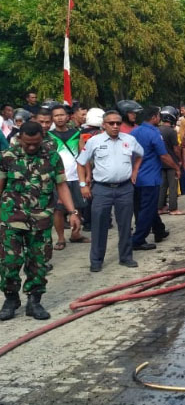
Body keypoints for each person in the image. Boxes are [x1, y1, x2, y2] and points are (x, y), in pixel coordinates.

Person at [0, 121, 81, 321]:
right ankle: (11, 299)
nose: (31, 147)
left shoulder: (52, 158)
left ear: (42, 139)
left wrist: (72, 212)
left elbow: (61, 186)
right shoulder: (7, 157)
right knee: (9, 263)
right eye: (28, 143)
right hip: (11, 219)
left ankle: (34, 302)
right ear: (20, 139)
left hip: (41, 220)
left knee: (38, 263)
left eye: (36, 143)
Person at [77, 110, 144, 272]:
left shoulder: (129, 139)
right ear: (104, 125)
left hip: (125, 188)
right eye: (111, 123)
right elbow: (80, 162)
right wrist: (83, 184)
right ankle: (96, 260)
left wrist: (135, 171)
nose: (115, 126)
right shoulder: (94, 141)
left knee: (126, 224)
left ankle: (126, 257)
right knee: (99, 225)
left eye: (118, 123)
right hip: (102, 189)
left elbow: (140, 154)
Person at [131, 106, 181, 250]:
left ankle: (159, 230)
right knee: (147, 209)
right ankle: (138, 239)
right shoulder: (154, 133)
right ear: (154, 117)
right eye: (158, 116)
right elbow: (164, 155)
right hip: (149, 177)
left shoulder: (135, 132)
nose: (159, 118)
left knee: (146, 207)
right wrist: (176, 167)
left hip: (136, 177)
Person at [48, 104, 89, 250]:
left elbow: (83, 156)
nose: (59, 118)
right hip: (59, 179)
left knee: (78, 207)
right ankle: (60, 238)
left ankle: (76, 234)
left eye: (62, 115)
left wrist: (87, 175)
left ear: (68, 117)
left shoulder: (76, 134)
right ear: (52, 118)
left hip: (76, 177)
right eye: (56, 115)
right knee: (58, 209)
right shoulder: (49, 136)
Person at [158, 106, 185, 216]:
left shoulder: (157, 129)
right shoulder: (171, 132)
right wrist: (180, 160)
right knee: (173, 186)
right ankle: (173, 208)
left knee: (162, 186)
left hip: (160, 162)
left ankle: (160, 207)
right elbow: (176, 149)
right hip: (172, 163)